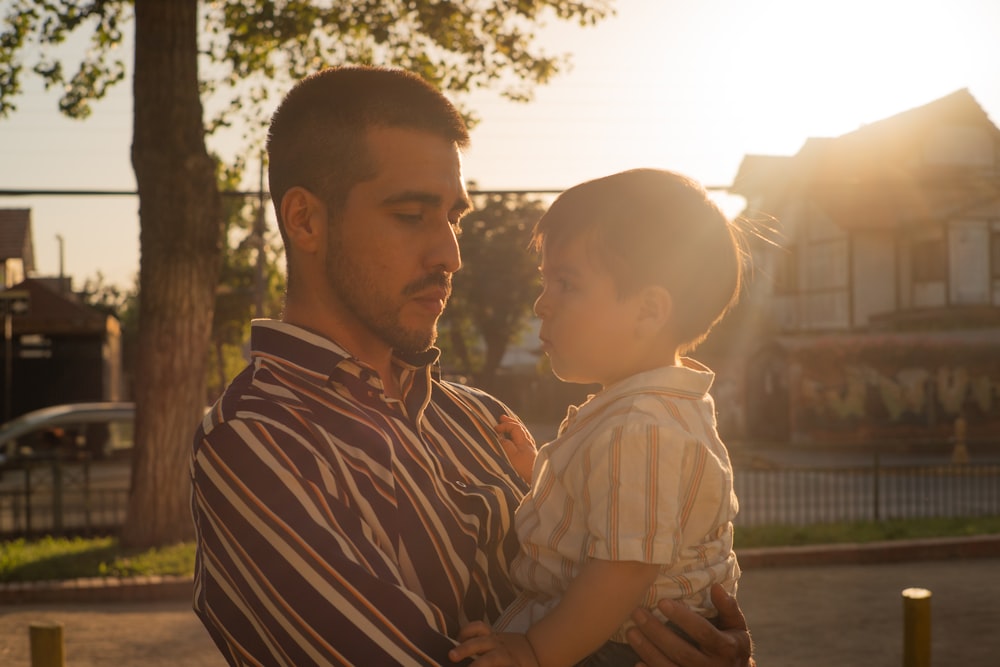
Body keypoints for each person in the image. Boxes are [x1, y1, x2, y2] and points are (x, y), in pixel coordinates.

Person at [189, 65, 754, 667]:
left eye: (453, 218)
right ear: (304, 220)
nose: (451, 254)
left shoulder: (482, 421)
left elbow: (593, 583)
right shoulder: (255, 443)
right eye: (411, 215)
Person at [450, 169, 743, 667]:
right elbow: (611, 513)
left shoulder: (643, 426)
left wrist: (534, 651)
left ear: (648, 311)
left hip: (618, 646)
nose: (541, 304)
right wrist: (541, 477)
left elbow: (624, 568)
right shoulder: (647, 410)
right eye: (545, 282)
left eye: (566, 283)